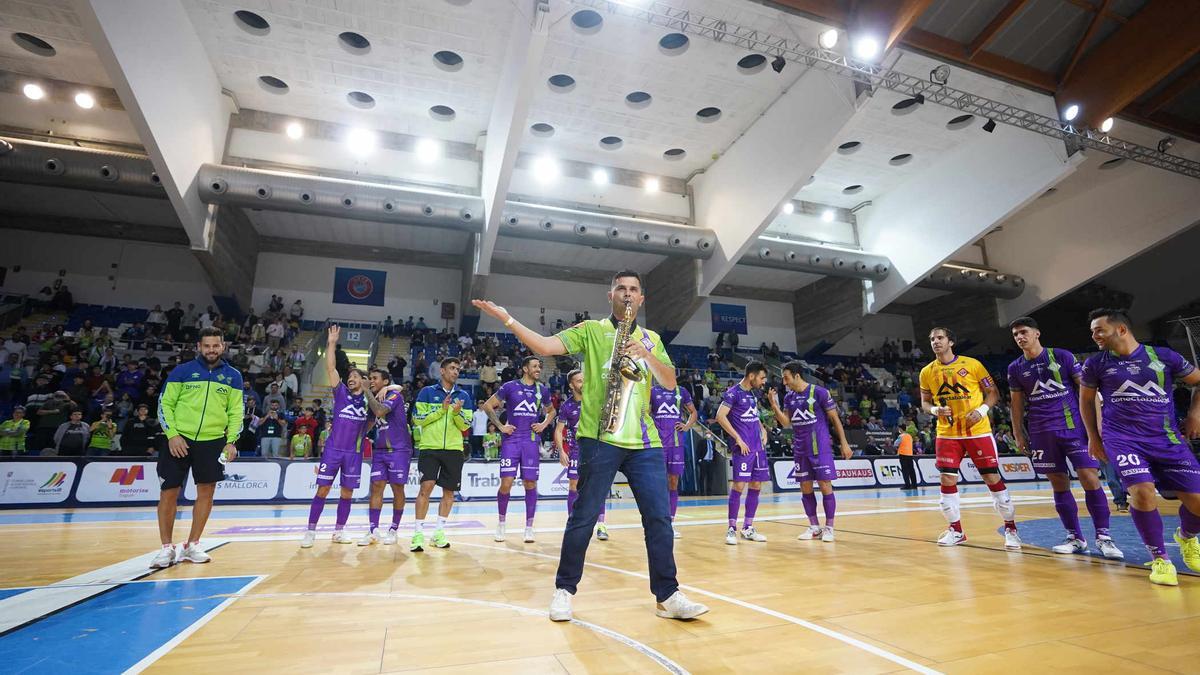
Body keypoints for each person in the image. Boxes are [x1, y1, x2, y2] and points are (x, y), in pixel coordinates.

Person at [472, 270, 708, 622]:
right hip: (600, 440)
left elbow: (670, 382)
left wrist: (646, 354)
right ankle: (564, 590)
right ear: (610, 295)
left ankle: (668, 595)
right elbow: (544, 345)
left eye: (634, 290)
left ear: (642, 299)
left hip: (646, 443)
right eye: (621, 289)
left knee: (659, 519)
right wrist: (507, 318)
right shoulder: (593, 331)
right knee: (583, 516)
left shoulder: (652, 338)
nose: (627, 294)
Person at [1080, 308, 1200, 586]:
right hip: (1122, 439)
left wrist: (1194, 415)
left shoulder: (1164, 356)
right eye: (1092, 331)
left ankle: (1186, 537)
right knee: (1142, 492)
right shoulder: (1095, 364)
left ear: (1121, 330)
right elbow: (1086, 401)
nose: (1095, 335)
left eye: (1099, 329)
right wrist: (1093, 438)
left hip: (1167, 439)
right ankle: (1160, 559)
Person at [1007, 317, 1123, 560]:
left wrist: (1098, 426)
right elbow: (1017, 404)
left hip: (1074, 429)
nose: (1019, 337)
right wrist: (1018, 432)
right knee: (1058, 483)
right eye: (1015, 334)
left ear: (1037, 333)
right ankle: (1075, 538)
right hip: (1041, 432)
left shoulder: (1062, 356)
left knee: (1090, 478)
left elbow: (1088, 392)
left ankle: (1104, 537)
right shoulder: (1015, 367)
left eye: (1023, 332)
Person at [919, 327, 1020, 550]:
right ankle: (956, 530)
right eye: (932, 339)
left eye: (940, 338)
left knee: (991, 479)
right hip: (947, 433)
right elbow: (925, 402)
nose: (935, 342)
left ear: (951, 341)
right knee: (946, 479)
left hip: (978, 432)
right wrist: (934, 410)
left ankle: (1010, 528)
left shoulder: (972, 364)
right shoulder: (926, 371)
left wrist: (983, 410)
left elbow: (993, 392)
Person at [151, 327, 243, 568]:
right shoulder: (182, 371)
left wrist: (231, 440)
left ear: (223, 347)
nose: (211, 350)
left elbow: (236, 412)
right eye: (207, 346)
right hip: (178, 440)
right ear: (199, 347)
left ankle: (193, 544)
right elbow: (164, 405)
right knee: (169, 493)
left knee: (206, 493)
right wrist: (172, 435)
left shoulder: (234, 376)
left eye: (216, 345)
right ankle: (166, 548)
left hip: (213, 442)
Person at [300, 326, 371, 548]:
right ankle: (310, 531)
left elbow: (389, 393)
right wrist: (331, 343)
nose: (351, 379)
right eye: (349, 376)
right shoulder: (340, 393)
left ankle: (339, 531)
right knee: (323, 489)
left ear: (364, 381)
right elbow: (331, 367)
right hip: (333, 450)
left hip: (354, 453)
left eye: (356, 376)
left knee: (347, 493)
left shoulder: (370, 401)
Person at [769, 361, 853, 541]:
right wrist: (774, 405)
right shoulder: (789, 397)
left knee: (825, 486)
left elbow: (835, 419)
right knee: (805, 488)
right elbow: (786, 423)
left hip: (820, 448)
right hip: (800, 449)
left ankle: (829, 528)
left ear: (797, 375)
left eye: (786, 378)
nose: (784, 382)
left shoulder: (820, 392)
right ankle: (814, 527)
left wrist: (844, 443)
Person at [481, 356, 555, 543]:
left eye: (540, 366)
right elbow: (488, 405)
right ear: (525, 368)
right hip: (511, 441)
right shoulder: (510, 386)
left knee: (530, 484)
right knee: (506, 483)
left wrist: (544, 424)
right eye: (535, 366)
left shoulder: (542, 390)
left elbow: (552, 411)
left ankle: (529, 528)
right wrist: (500, 426)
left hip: (530, 442)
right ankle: (501, 524)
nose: (538, 369)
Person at [411, 357, 473, 551]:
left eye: (458, 369)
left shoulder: (464, 395)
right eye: (452, 368)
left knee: (449, 492)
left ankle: (438, 532)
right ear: (442, 372)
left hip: (454, 449)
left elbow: (466, 424)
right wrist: (441, 411)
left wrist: (455, 413)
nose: (456, 372)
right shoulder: (427, 392)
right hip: (430, 447)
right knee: (426, 488)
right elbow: (417, 419)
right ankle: (418, 534)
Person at [715, 362, 771, 545]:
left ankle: (748, 527)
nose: (764, 382)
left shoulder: (752, 395)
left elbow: (753, 416)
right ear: (752, 376)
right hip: (743, 449)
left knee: (756, 485)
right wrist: (737, 438)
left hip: (758, 449)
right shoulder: (733, 393)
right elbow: (720, 416)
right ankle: (731, 528)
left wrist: (762, 429)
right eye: (762, 378)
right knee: (739, 486)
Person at [358, 369, 413, 546]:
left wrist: (366, 390)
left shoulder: (395, 395)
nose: (371, 381)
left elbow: (380, 411)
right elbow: (369, 423)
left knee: (397, 488)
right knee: (376, 488)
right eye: (370, 379)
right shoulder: (374, 399)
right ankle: (373, 530)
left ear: (385, 381)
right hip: (380, 450)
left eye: (375, 379)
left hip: (398, 450)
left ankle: (394, 529)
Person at [556, 370, 611, 540]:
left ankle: (601, 525)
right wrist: (561, 451)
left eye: (584, 380)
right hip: (576, 451)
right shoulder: (567, 406)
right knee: (573, 486)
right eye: (579, 381)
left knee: (597, 485)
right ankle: (572, 522)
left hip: (596, 449)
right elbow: (559, 431)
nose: (583, 383)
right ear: (572, 385)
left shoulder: (594, 400)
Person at [650, 382, 697, 538]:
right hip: (657, 443)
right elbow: (644, 413)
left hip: (676, 443)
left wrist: (687, 425)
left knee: (673, 482)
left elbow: (693, 412)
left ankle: (670, 523)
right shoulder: (652, 391)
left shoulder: (681, 391)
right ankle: (657, 522)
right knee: (657, 482)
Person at [892, 425, 918, 490]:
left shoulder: (901, 436)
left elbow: (895, 444)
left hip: (903, 454)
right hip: (910, 454)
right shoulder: (909, 436)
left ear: (900, 429)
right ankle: (914, 485)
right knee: (912, 470)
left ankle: (907, 485)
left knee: (905, 470)